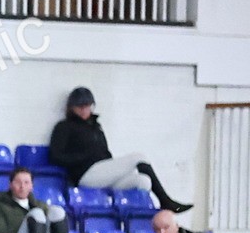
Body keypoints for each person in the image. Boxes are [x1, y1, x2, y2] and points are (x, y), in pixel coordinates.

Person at [48, 86, 192, 213]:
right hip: (86, 174)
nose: (85, 110)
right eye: (80, 107)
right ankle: (166, 201)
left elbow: (105, 153)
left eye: (88, 105)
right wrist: (82, 158)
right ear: (72, 108)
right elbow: (55, 156)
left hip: (103, 174)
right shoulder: (64, 127)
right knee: (138, 157)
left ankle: (139, 223)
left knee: (143, 181)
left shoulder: (95, 127)